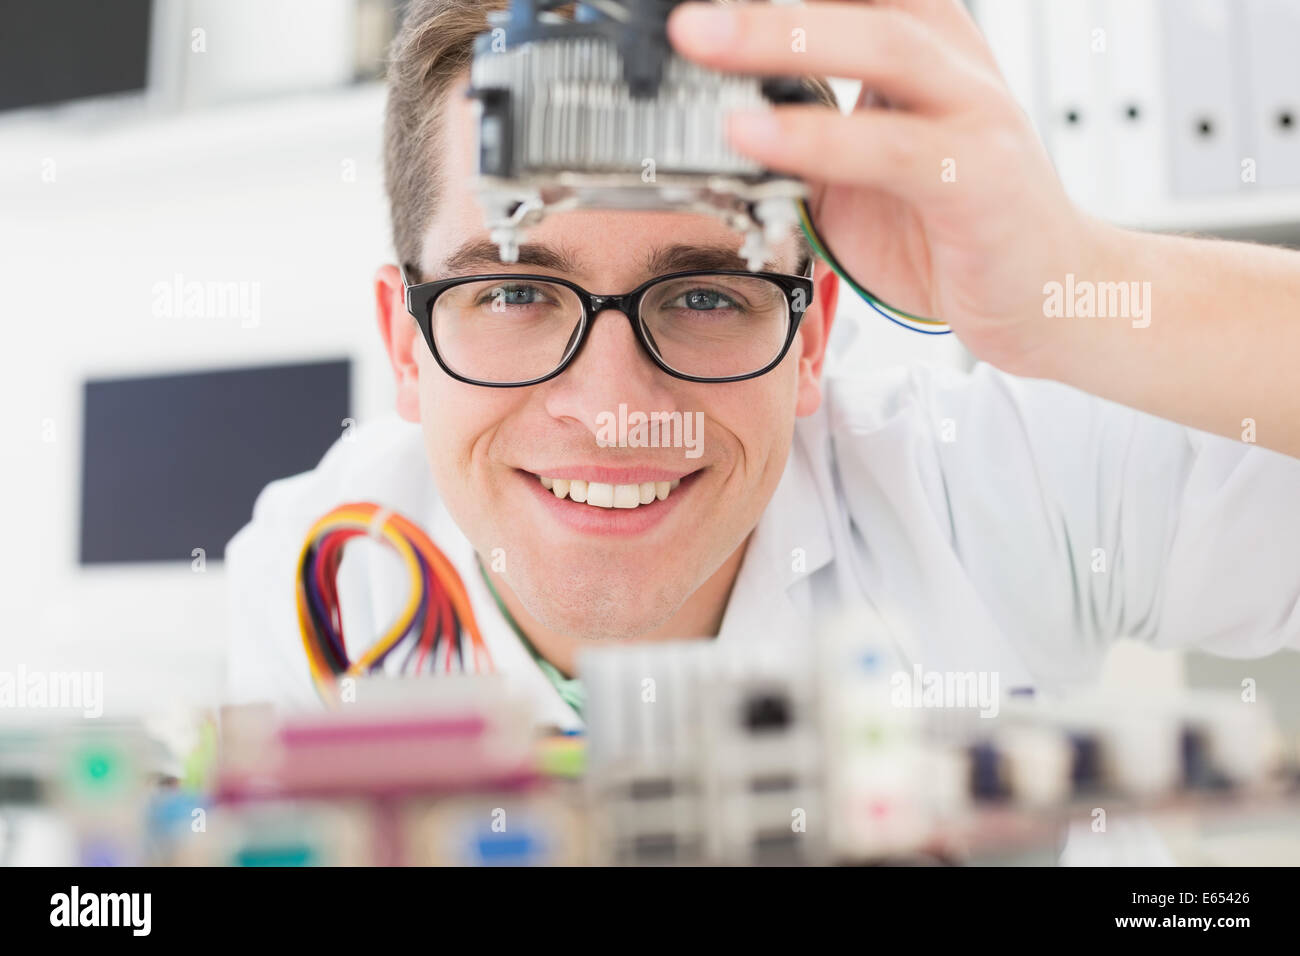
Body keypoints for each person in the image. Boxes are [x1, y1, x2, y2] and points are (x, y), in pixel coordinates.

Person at [227, 0, 1300, 731]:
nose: (612, 411)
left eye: (704, 295)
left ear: (812, 334)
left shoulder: (980, 491)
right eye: (514, 291)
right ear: (407, 340)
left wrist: (1071, 286)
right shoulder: (330, 582)